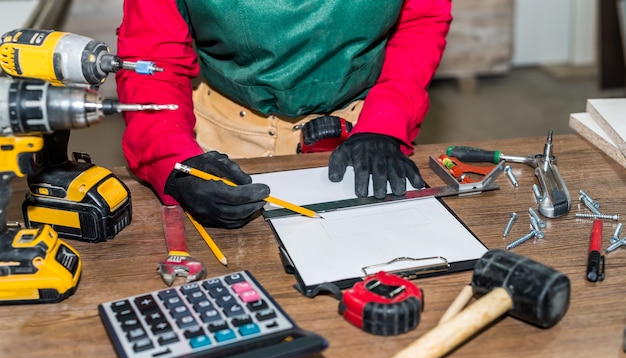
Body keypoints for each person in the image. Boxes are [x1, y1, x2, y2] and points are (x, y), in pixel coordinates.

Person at [116, 0, 452, 229]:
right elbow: (152, 59)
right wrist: (173, 156)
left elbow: (420, 21)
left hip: (362, 127)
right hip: (219, 137)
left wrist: (387, 119)